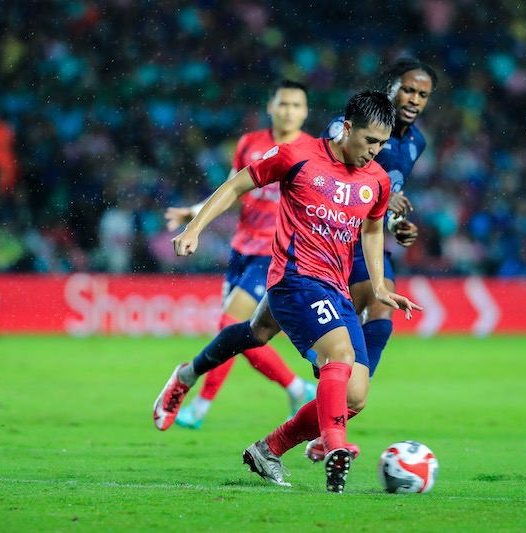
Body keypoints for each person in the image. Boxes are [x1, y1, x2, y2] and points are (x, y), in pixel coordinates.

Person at [153, 91, 422, 493]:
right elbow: (235, 186)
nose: (375, 151)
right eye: (369, 141)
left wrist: (380, 285)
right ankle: (335, 446)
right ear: (347, 128)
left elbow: (370, 228)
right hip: (292, 278)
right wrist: (194, 228)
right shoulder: (297, 155)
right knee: (341, 356)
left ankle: (249, 432)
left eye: (382, 144)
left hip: (335, 287)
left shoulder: (377, 180)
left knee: (352, 394)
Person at [163, 80, 316, 428]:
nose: (289, 110)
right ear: (271, 106)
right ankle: (297, 388)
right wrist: (195, 213)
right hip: (241, 249)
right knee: (244, 335)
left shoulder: (312, 151)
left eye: (296, 105)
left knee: (229, 325)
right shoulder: (250, 144)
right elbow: (232, 188)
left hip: (276, 253)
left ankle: (199, 406)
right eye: (283, 104)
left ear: (305, 112)